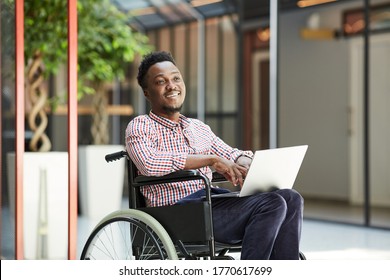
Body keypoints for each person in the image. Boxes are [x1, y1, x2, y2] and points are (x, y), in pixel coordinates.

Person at [125, 51, 304, 260]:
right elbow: (149, 164)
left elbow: (230, 153)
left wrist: (248, 163)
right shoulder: (140, 126)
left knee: (290, 198)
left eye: (175, 78)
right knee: (271, 204)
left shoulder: (198, 128)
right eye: (160, 81)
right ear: (147, 92)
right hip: (176, 213)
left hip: (210, 203)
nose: (171, 85)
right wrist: (210, 160)